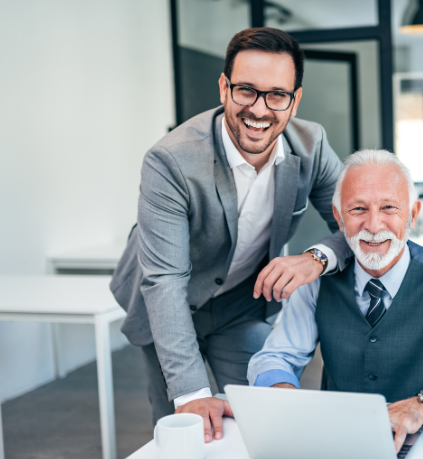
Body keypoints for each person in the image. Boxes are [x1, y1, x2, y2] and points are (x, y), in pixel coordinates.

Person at [109, 28, 353, 442]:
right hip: (166, 302)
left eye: (277, 94)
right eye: (246, 91)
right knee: (183, 427)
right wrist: (190, 394)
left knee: (264, 416)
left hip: (241, 304)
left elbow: (355, 226)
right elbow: (165, 280)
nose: (260, 109)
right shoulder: (170, 161)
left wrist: (314, 258)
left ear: (294, 101)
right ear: (224, 88)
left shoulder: (311, 146)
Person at [247, 149, 423, 453]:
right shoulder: (316, 284)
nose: (373, 225)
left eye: (388, 208)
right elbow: (274, 357)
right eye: (358, 209)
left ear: (413, 214)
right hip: (342, 446)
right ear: (338, 218)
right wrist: (283, 392)